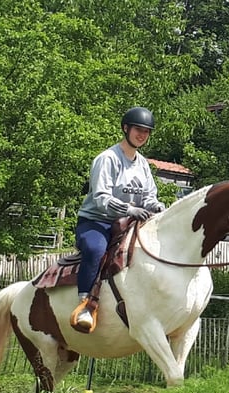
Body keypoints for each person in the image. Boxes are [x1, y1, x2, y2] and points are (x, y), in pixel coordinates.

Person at [71, 106, 165, 332]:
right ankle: (85, 304)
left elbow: (150, 196)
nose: (142, 135)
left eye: (146, 131)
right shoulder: (107, 159)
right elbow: (101, 197)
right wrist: (130, 209)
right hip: (97, 221)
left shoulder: (143, 164)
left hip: (129, 223)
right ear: (126, 128)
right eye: (138, 129)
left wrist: (159, 207)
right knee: (95, 249)